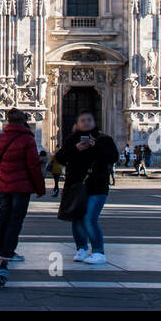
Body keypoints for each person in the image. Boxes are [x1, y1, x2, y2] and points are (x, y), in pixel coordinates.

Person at [54, 111, 119, 264]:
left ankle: (98, 252)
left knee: (90, 218)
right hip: (75, 186)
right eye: (82, 120)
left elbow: (113, 157)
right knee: (76, 218)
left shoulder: (104, 139)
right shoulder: (71, 140)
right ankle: (81, 249)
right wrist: (76, 148)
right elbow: (60, 158)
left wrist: (94, 147)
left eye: (89, 119)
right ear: (77, 123)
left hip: (97, 186)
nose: (86, 122)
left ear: (94, 122)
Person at [0, 109, 45, 263]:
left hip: (3, 184)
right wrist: (40, 188)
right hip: (21, 185)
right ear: (23, 122)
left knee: (4, 216)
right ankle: (7, 252)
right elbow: (33, 166)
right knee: (15, 219)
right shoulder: (27, 139)